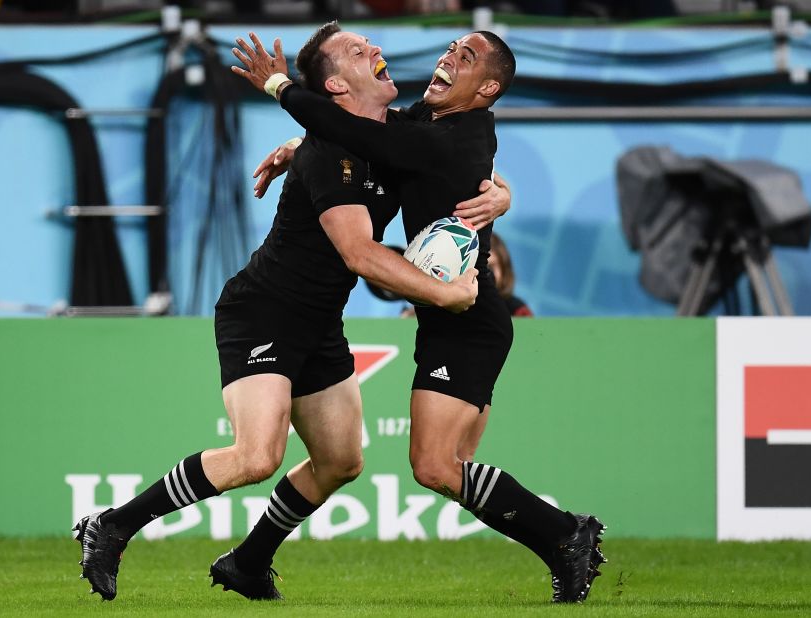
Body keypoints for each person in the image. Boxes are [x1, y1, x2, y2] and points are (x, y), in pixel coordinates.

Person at [72, 24, 511, 603]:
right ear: (334, 83)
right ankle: (114, 525)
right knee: (258, 456)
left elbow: (444, 156)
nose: (377, 51)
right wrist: (445, 294)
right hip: (264, 313)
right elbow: (360, 253)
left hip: (319, 324)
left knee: (341, 461)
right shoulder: (332, 153)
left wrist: (503, 194)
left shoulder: (388, 134)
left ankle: (249, 564)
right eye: (359, 51)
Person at [233, 26, 606, 603]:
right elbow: (355, 131)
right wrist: (299, 148)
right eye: (451, 48)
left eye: (467, 57)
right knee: (442, 466)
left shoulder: (455, 139)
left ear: (485, 91)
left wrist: (280, 85)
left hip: (470, 319)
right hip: (445, 317)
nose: (449, 57)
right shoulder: (426, 125)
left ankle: (566, 534)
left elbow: (359, 134)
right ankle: (564, 540)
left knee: (435, 467)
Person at [489, 232, 533, 317]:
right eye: (476, 267)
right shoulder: (456, 307)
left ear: (504, 268)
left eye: (490, 267)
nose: (481, 273)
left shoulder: (518, 311)